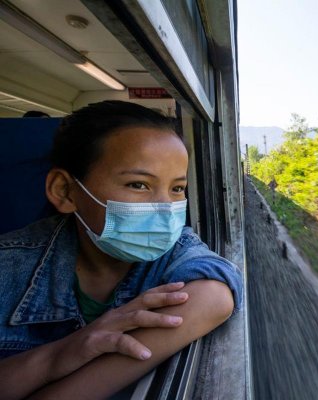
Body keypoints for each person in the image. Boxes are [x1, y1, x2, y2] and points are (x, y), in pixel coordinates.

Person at [0, 101, 243, 399]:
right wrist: (58, 356)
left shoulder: (177, 250)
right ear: (65, 191)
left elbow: (215, 296)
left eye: (177, 188)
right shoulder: (8, 267)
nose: (166, 208)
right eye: (138, 184)